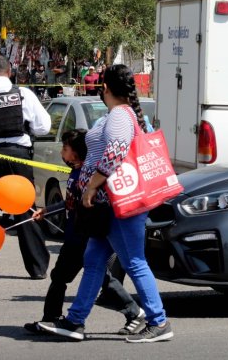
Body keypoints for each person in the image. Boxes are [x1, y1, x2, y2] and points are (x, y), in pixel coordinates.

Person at [38, 64, 172, 343]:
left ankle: (159, 322)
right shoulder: (119, 114)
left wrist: (91, 186)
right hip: (107, 205)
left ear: (106, 88)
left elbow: (115, 153)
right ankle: (75, 321)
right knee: (94, 260)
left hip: (117, 204)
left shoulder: (121, 116)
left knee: (134, 261)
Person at [24, 129, 146, 336]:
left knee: (69, 277)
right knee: (93, 278)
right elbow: (70, 202)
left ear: (77, 153)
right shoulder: (76, 172)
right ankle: (133, 313)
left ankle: (53, 319)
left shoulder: (88, 176)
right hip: (75, 234)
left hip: (84, 235)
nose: (62, 152)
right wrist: (47, 211)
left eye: (65, 148)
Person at [0, 53, 51, 281]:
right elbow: (44, 127)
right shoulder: (24, 94)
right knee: (25, 209)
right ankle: (37, 268)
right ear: (10, 72)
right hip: (19, 158)